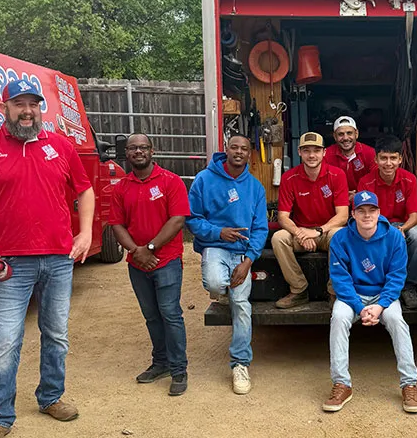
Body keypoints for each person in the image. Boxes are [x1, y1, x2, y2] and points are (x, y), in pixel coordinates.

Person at [0, 78, 95, 438]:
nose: (27, 111)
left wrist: (85, 233)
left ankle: (51, 397)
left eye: (34, 105)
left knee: (56, 333)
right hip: (9, 263)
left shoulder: (60, 145)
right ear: (3, 108)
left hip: (58, 259)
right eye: (19, 104)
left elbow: (85, 191)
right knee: (6, 340)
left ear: (41, 109)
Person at [326, 190, 417, 414]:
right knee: (339, 317)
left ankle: (409, 383)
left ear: (379, 213)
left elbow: (397, 276)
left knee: (397, 320)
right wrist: (360, 308)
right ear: (353, 213)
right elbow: (340, 279)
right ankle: (342, 384)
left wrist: (380, 306)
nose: (367, 215)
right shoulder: (340, 238)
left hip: (383, 296)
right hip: (353, 296)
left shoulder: (395, 237)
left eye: (372, 210)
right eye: (361, 210)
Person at [109, 134, 191, 396]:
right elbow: (117, 225)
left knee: (170, 314)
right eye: (133, 148)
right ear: (127, 153)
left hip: (166, 261)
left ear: (152, 151)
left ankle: (179, 370)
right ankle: (161, 363)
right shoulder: (121, 187)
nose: (138, 151)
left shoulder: (171, 181)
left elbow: (177, 219)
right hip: (138, 264)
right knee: (152, 316)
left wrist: (151, 248)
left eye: (143, 147)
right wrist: (136, 251)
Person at [186, 134, 268, 394]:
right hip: (215, 247)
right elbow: (192, 219)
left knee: (242, 305)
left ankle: (240, 364)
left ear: (249, 154)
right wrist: (218, 233)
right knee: (215, 283)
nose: (239, 152)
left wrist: (249, 261)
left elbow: (260, 228)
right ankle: (223, 292)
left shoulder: (255, 187)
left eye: (244, 148)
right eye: (234, 147)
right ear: (226, 150)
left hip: (242, 253)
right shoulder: (204, 180)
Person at [273, 131, 349, 308]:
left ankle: (334, 292)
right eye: (306, 150)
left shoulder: (337, 175)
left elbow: (343, 215)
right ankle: (298, 290)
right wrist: (301, 234)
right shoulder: (289, 177)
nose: (312, 155)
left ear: (324, 152)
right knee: (278, 238)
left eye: (316, 150)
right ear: (299, 152)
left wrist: (317, 232)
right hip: (301, 232)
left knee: (341, 235)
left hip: (326, 232)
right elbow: (283, 217)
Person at [359, 135, 417, 310]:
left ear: (400, 159)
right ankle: (381, 284)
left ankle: (409, 286)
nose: (388, 163)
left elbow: (414, 216)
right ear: (376, 159)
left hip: (403, 224)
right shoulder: (366, 182)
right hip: (375, 225)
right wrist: (389, 229)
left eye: (393, 158)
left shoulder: (409, 179)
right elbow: (365, 215)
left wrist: (402, 228)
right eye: (384, 158)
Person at [323, 116, 376, 193]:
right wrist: (343, 195)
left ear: (356, 134)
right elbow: (322, 184)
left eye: (349, 133)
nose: (345, 138)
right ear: (334, 136)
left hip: (364, 198)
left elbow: (376, 180)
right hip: (335, 198)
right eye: (341, 134)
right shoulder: (326, 155)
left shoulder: (369, 152)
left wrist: (358, 196)